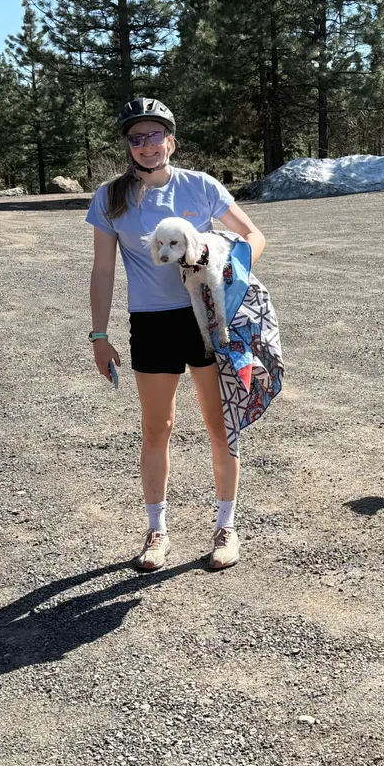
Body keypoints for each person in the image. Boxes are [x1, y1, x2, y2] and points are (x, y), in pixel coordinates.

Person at [87, 97, 266, 571]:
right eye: (136, 138)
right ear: (128, 145)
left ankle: (226, 526)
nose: (146, 146)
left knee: (219, 424)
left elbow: (252, 237)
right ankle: (156, 532)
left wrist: (231, 273)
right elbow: (103, 270)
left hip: (205, 319)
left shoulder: (201, 186)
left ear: (171, 139)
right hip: (150, 324)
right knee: (156, 428)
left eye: (154, 135)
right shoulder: (111, 196)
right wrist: (98, 335)